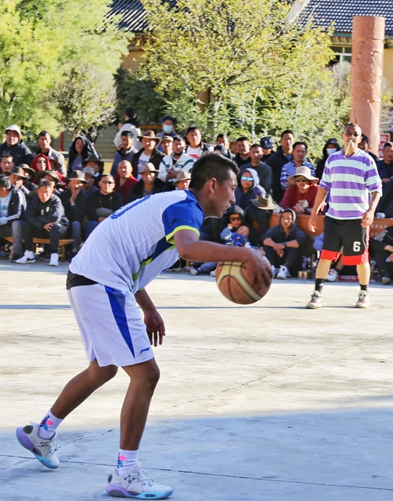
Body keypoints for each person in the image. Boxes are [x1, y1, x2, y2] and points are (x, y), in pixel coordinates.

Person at [15, 154, 270, 500]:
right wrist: (246, 254)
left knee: (103, 368)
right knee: (146, 376)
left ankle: (42, 433)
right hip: (102, 282)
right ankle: (126, 473)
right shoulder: (186, 207)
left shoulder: (176, 205)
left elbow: (132, 259)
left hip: (89, 279)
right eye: (231, 188)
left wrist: (148, 308)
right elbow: (189, 249)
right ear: (212, 185)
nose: (233, 198)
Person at [307, 122, 381, 309]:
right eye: (348, 133)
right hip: (334, 218)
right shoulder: (332, 160)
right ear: (342, 136)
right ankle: (317, 294)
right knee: (325, 256)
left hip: (356, 220)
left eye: (355, 134)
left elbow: (376, 189)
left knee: (361, 258)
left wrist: (371, 211)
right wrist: (314, 213)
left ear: (360, 139)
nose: (351, 137)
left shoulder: (366, 160)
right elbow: (323, 188)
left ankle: (364, 294)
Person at [15, 179, 68, 266]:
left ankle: (54, 254)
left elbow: (53, 217)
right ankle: (29, 253)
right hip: (41, 227)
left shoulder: (56, 201)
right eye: (41, 192)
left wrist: (38, 217)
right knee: (27, 225)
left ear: (52, 192)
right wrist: (42, 225)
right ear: (38, 191)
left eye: (46, 192)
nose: (44, 195)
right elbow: (29, 216)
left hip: (58, 229)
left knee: (54, 227)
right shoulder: (35, 200)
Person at [262, 209, 307, 279]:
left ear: (293, 220)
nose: (285, 221)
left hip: (291, 265)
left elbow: (301, 240)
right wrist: (276, 246)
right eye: (283, 218)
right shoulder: (276, 229)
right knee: (268, 244)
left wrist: (284, 245)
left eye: (289, 218)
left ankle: (285, 269)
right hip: (277, 259)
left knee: (296, 246)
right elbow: (264, 237)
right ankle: (272, 268)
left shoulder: (296, 231)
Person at [84, 174, 124, 239]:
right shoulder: (92, 196)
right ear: (99, 183)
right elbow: (91, 214)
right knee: (92, 224)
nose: (107, 184)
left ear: (114, 185)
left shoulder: (117, 197)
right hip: (95, 221)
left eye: (109, 182)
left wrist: (106, 221)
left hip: (111, 222)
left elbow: (117, 213)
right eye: (104, 182)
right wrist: (103, 220)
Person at [0, 173, 26, 260]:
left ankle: (16, 253)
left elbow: (19, 214)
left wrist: (2, 220)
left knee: (16, 223)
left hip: (14, 227)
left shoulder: (17, 194)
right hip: (2, 226)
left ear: (3, 189)